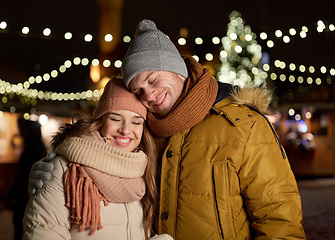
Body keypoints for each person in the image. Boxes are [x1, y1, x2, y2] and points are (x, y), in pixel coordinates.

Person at [29, 20, 307, 239]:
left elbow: (280, 221)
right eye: (138, 90)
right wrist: (56, 168)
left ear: (177, 70)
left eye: (152, 79)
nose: (148, 95)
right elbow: (99, 154)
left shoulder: (243, 126)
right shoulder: (145, 133)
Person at [23, 77, 172, 240]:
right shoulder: (64, 169)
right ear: (101, 121)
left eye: (136, 122)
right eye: (115, 119)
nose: (126, 130)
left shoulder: (144, 172)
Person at [9, 118, 48, 240]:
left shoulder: (34, 147)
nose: (20, 131)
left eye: (22, 129)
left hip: (28, 191)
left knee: (22, 220)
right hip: (27, 189)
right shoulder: (33, 146)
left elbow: (27, 172)